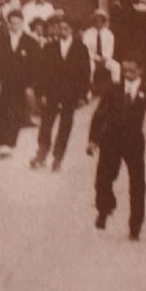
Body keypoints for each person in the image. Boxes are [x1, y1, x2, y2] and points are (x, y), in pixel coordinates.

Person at [87, 60, 146, 242]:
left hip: (133, 143)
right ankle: (104, 209)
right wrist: (92, 140)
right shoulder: (113, 89)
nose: (127, 73)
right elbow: (99, 114)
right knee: (103, 180)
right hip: (110, 141)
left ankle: (135, 226)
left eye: (132, 69)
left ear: (141, 70)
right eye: (125, 69)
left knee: (137, 185)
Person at [31, 13, 91, 172]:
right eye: (60, 28)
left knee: (65, 125)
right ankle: (42, 152)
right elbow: (41, 72)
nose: (62, 31)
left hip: (70, 94)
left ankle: (58, 157)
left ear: (71, 30)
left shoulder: (80, 48)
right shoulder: (50, 47)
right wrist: (41, 93)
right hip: (51, 92)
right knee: (46, 123)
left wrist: (83, 95)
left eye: (66, 28)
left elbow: (85, 73)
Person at [0, 9, 39, 158]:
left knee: (15, 112)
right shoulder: (2, 40)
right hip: (6, 82)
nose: (15, 26)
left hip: (21, 83)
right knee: (3, 110)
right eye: (12, 23)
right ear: (8, 24)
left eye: (18, 23)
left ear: (22, 23)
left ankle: (9, 143)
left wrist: (31, 85)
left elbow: (35, 66)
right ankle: (0, 141)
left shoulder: (30, 42)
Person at [82, 9, 120, 92]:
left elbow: (110, 49)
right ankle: (89, 89)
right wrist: (94, 58)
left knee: (116, 66)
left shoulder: (109, 34)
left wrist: (104, 58)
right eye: (96, 20)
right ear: (93, 21)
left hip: (105, 59)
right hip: (91, 58)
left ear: (104, 21)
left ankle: (116, 90)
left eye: (101, 20)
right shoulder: (87, 33)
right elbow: (85, 49)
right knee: (90, 67)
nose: (98, 22)